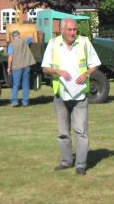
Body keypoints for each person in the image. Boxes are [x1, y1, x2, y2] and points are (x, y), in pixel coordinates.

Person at [42, 18, 101, 175]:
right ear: (61, 30)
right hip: (61, 95)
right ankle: (66, 162)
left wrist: (87, 73)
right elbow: (45, 68)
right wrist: (58, 71)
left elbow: (96, 63)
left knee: (81, 132)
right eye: (69, 30)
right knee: (63, 132)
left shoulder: (84, 42)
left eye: (74, 29)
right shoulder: (53, 44)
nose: (72, 33)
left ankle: (80, 165)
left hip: (80, 95)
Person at [6, 29, 35, 107]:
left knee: (16, 85)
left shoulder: (11, 45)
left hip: (16, 66)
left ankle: (14, 101)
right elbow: (31, 38)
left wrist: (9, 67)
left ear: (12, 37)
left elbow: (10, 57)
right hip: (26, 65)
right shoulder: (25, 41)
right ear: (19, 35)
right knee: (25, 84)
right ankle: (25, 102)